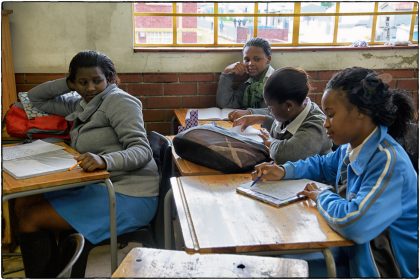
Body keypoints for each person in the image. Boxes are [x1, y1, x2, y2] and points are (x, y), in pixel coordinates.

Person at [252, 67, 418, 277]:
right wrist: (283, 171)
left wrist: (322, 196)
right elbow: (322, 165)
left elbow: (354, 222)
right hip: (354, 252)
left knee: (282, 270)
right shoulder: (353, 147)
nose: (325, 123)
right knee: (276, 259)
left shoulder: (388, 162)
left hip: (380, 269)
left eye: (331, 115)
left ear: (361, 112)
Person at [15, 50, 159, 277]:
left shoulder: (119, 101)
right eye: (82, 82)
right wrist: (69, 83)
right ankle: (56, 270)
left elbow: (142, 150)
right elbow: (32, 100)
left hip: (128, 194)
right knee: (24, 202)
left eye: (97, 80)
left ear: (110, 79)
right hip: (99, 185)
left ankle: (50, 273)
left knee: (31, 219)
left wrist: (104, 160)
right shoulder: (81, 103)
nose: (90, 87)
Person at [233, 67, 332, 164]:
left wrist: (270, 142)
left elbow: (283, 155)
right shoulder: (296, 110)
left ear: (288, 105)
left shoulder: (315, 128)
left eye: (270, 107)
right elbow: (284, 130)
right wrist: (261, 119)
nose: (269, 111)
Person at [216, 37, 275, 120]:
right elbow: (225, 103)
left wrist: (249, 113)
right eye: (247, 59)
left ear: (268, 59)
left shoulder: (276, 81)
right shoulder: (249, 84)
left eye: (257, 59)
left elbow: (278, 112)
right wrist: (227, 73)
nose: (251, 63)